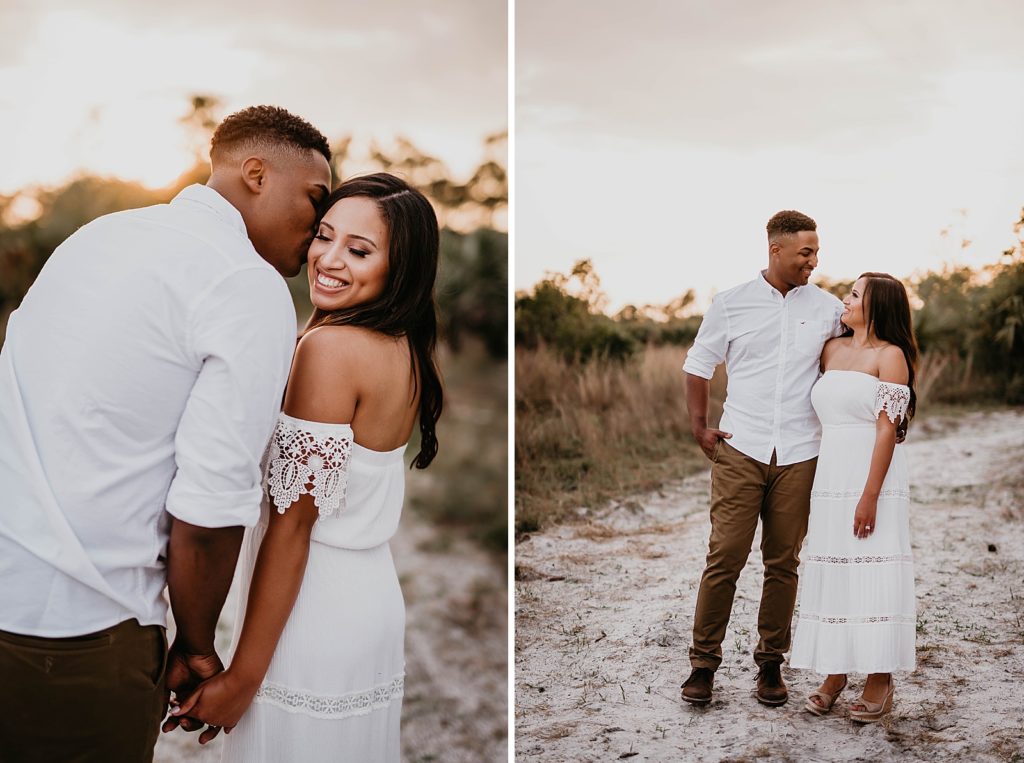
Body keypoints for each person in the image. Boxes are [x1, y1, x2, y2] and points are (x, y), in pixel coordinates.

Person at [0, 105, 332, 761]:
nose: (320, 226)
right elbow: (207, 512)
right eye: (315, 199)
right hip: (75, 636)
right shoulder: (245, 284)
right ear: (256, 174)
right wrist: (198, 644)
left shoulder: (98, 236)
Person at [167, 173, 443, 762]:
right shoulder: (403, 348)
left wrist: (242, 678)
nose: (329, 259)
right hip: (368, 602)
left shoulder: (330, 350)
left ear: (402, 267)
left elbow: (292, 524)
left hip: (312, 614)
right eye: (324, 236)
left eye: (360, 249)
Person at [680, 210, 845, 707]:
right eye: (805, 253)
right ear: (775, 250)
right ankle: (703, 665)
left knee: (783, 562)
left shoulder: (830, 308)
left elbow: (848, 363)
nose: (813, 261)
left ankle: (771, 664)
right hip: (741, 447)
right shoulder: (731, 304)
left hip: (801, 452)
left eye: (815, 252)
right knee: (725, 556)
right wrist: (699, 426)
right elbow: (698, 365)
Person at [790, 272, 916, 723]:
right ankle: (834, 673)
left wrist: (870, 495)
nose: (845, 298)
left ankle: (880, 678)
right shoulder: (831, 349)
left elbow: (887, 430)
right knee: (835, 569)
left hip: (872, 474)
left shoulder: (891, 356)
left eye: (855, 294)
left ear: (877, 305)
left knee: (874, 569)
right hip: (830, 474)